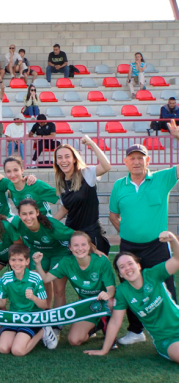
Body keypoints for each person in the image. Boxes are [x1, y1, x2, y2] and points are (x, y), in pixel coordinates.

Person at [108, 143, 178, 345]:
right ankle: (136, 330)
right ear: (126, 162)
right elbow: (113, 215)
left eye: (141, 158)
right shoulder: (119, 185)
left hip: (157, 246)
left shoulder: (161, 178)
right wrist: (128, 232)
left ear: (148, 161)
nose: (137, 161)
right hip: (129, 247)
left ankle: (174, 329)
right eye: (132, 158)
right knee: (129, 287)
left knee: (166, 287)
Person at [85, 231, 179, 362]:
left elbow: (177, 259)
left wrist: (173, 239)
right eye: (122, 267)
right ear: (121, 275)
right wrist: (104, 350)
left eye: (130, 263)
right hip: (167, 339)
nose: (127, 268)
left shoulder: (153, 274)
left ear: (138, 266)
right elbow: (115, 322)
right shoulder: (123, 292)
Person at [33, 231, 115, 347]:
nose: (79, 248)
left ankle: (107, 323)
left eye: (83, 244)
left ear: (89, 246)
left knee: (112, 303)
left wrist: (107, 294)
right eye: (75, 245)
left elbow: (111, 288)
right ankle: (97, 326)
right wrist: (38, 264)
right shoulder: (67, 262)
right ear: (70, 248)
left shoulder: (101, 260)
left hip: (104, 301)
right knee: (74, 340)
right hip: (86, 305)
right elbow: (46, 279)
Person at [0, 244, 58, 356]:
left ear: (27, 261)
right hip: (15, 317)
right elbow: (1, 303)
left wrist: (33, 297)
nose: (17, 263)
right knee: (3, 348)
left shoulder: (35, 278)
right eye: (13, 260)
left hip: (31, 318)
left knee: (18, 351)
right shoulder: (6, 277)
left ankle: (43, 331)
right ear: (9, 261)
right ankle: (20, 335)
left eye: (20, 260)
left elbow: (44, 305)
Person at [52, 137, 112, 254]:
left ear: (74, 159)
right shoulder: (61, 181)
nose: (63, 160)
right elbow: (65, 208)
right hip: (72, 233)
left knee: (95, 270)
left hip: (91, 232)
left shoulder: (86, 173)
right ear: (56, 162)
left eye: (67, 156)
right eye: (59, 158)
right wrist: (49, 223)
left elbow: (106, 166)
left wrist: (91, 144)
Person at [12, 199, 74, 311]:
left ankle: (57, 323)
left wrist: (94, 250)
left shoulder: (51, 225)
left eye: (31, 213)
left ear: (37, 212)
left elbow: (75, 235)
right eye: (24, 214)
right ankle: (46, 309)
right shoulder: (17, 223)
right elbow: (1, 221)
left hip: (59, 252)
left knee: (59, 289)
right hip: (39, 252)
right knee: (37, 282)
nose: (28, 217)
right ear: (19, 215)